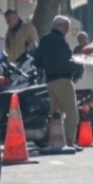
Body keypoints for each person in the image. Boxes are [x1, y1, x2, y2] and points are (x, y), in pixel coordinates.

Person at [35, 15, 80, 152]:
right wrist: (76, 65)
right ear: (59, 26)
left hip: (50, 81)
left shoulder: (44, 40)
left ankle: (54, 141)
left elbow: (37, 61)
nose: (68, 29)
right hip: (63, 80)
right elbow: (64, 62)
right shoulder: (60, 42)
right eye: (66, 26)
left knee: (55, 113)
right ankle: (69, 141)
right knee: (71, 113)